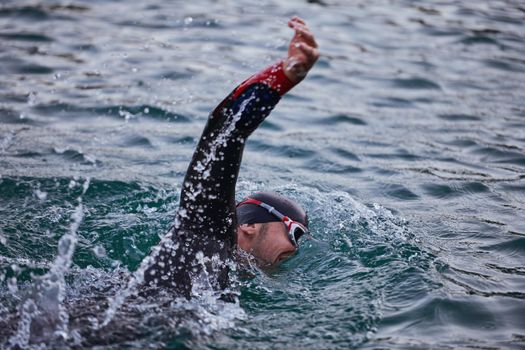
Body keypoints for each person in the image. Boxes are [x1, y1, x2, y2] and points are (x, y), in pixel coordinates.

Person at [142, 16, 319, 299]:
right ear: (249, 225)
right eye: (294, 232)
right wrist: (283, 77)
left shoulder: (226, 281)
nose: (296, 248)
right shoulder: (204, 235)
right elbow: (224, 135)